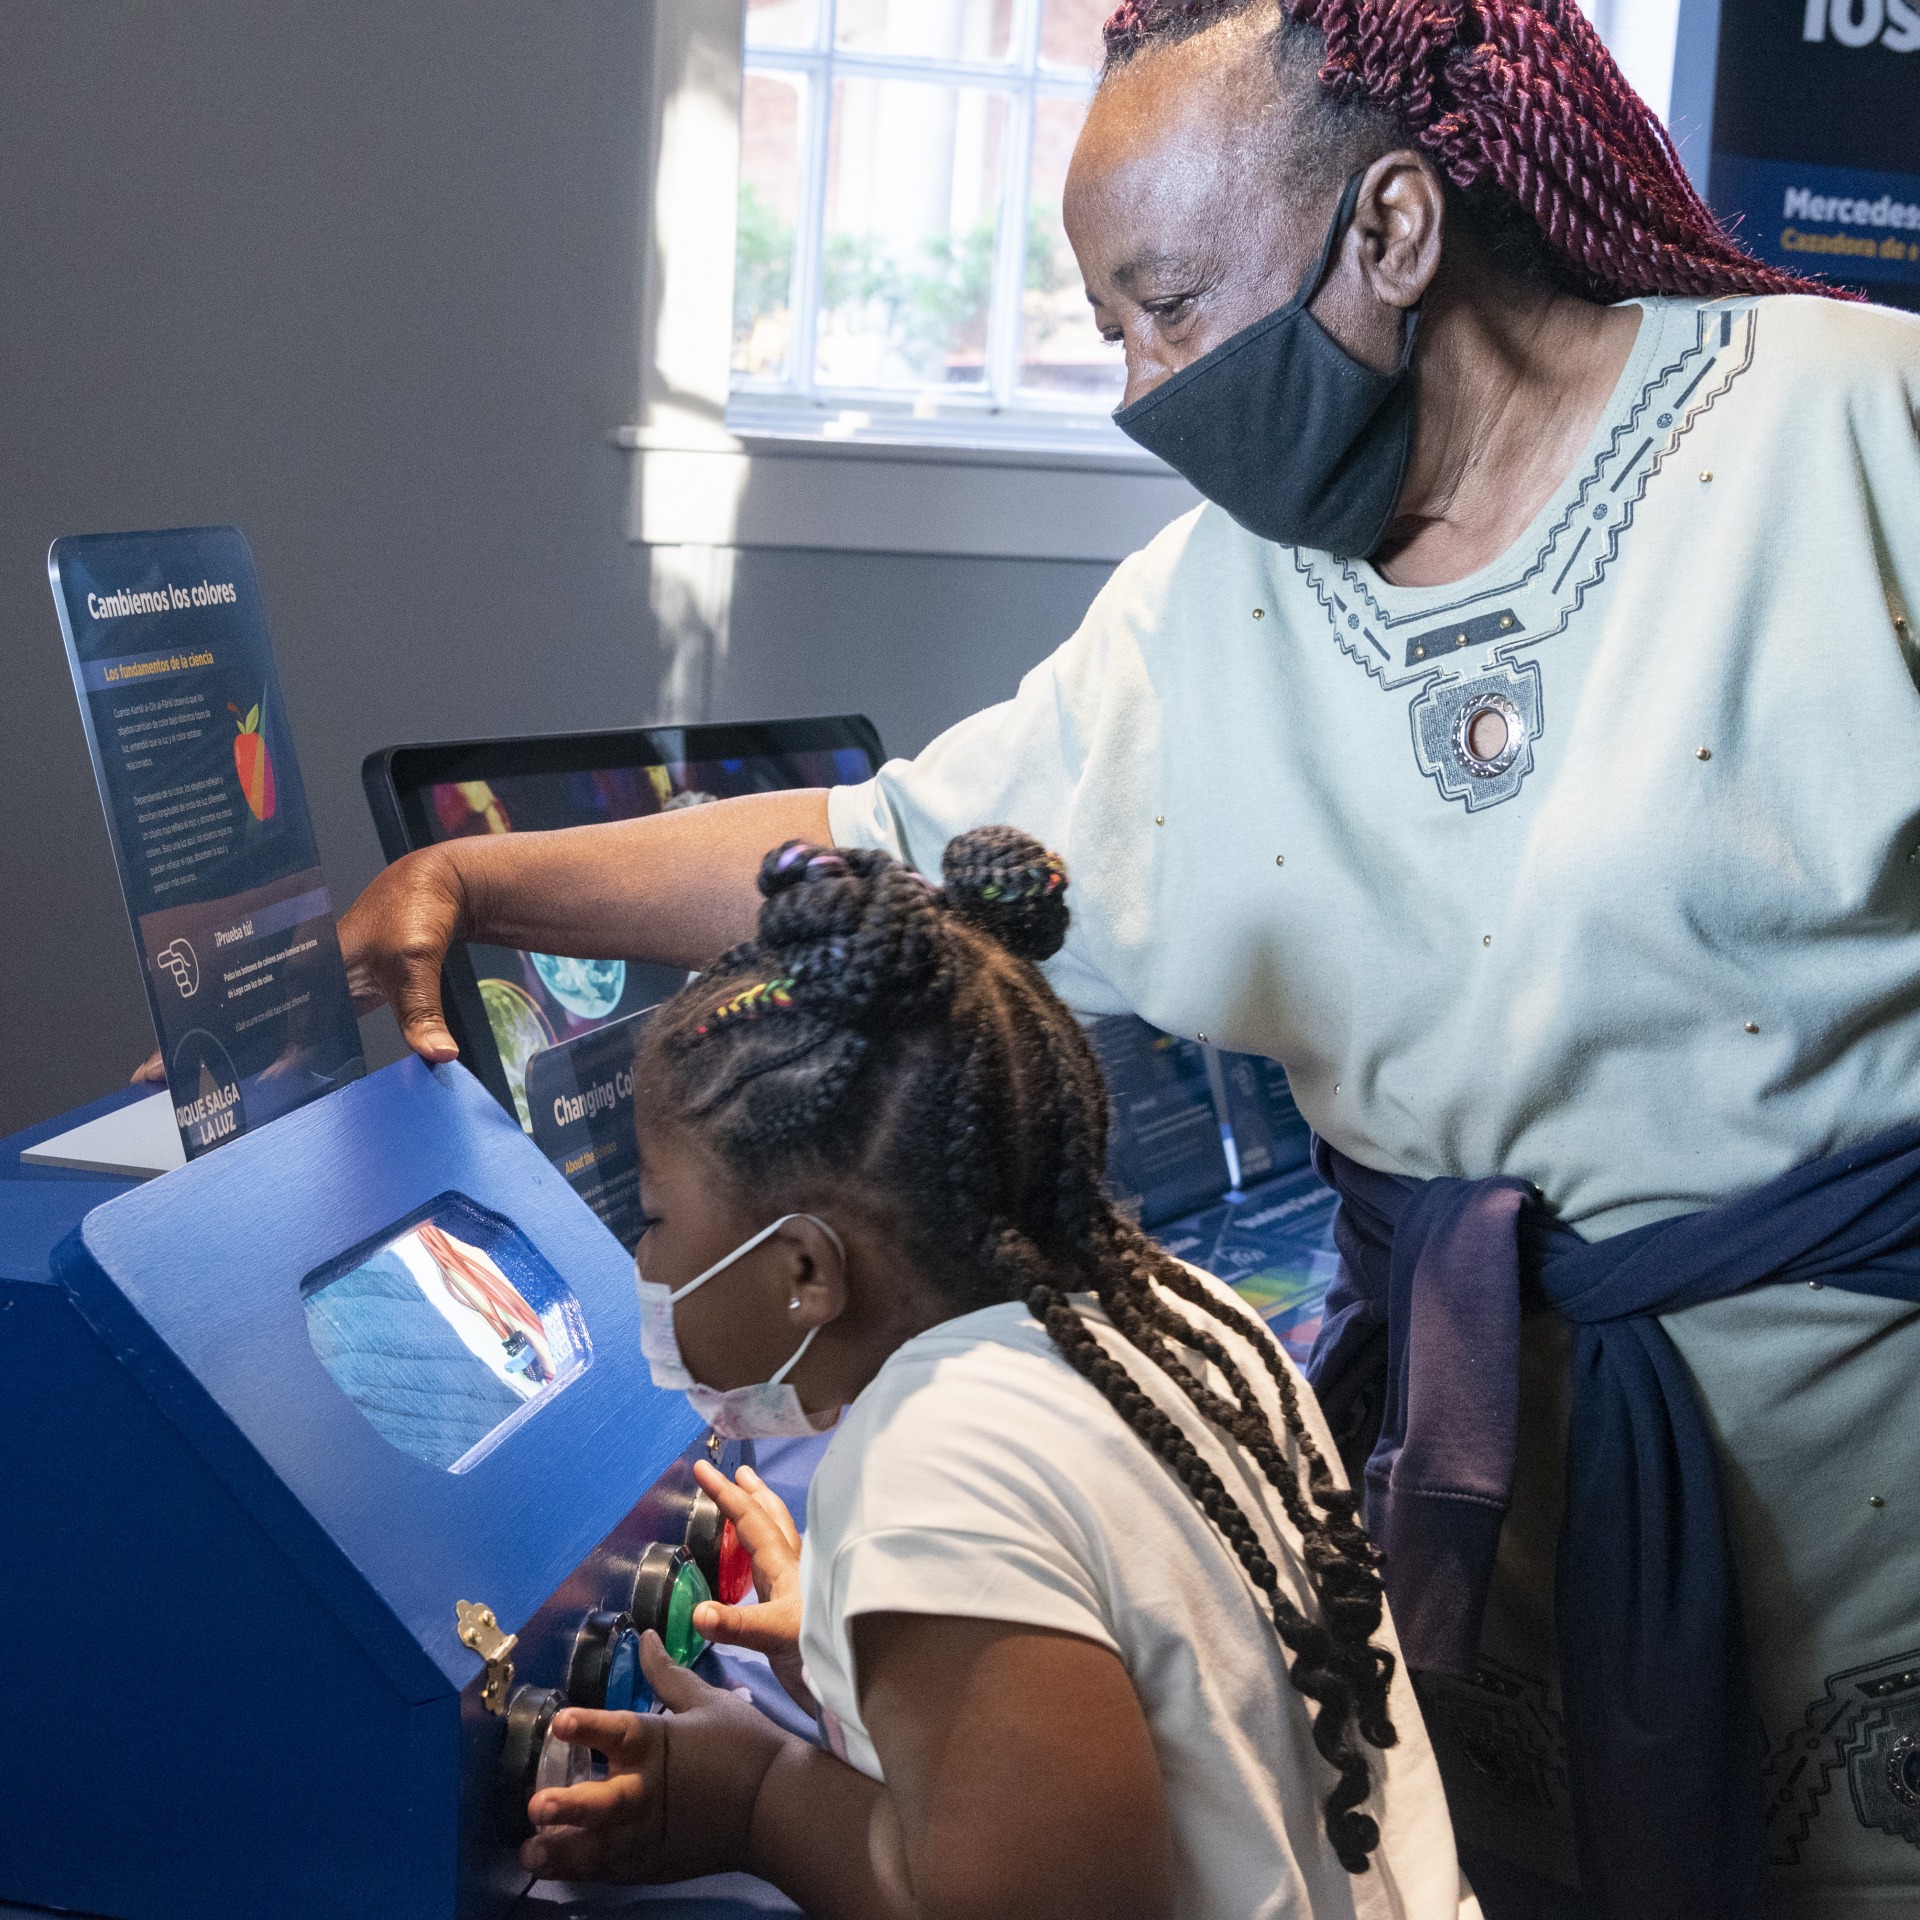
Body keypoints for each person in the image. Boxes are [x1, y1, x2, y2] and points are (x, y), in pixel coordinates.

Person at [336, 2, 1920, 1915]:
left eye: (1170, 307)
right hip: (1499, 1479)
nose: (1143, 388)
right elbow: (877, 854)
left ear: (1398, 225)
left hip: (1857, 1469)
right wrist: (480, 884)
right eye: (1110, 332)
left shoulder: (1852, 428)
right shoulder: (1210, 605)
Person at [518, 828, 1478, 1919]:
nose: (643, 1261)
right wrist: (861, 1663)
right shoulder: (1170, 1312)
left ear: (802, 1270)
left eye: (651, 1218)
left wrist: (759, 1797)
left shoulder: (935, 1468)